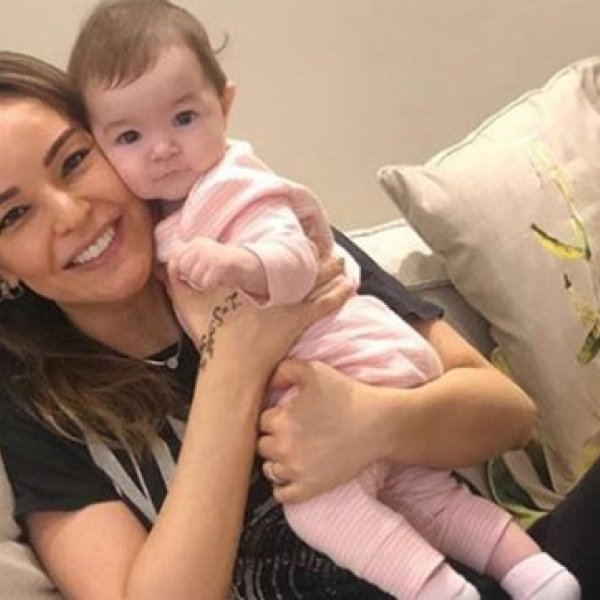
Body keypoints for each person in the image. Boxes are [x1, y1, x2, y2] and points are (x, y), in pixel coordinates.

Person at [63, 2, 579, 599]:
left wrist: (372, 421)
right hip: (386, 452)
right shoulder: (57, 388)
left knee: (325, 507)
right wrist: (236, 365)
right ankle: (535, 573)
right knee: (425, 496)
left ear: (224, 105)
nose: (162, 149)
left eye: (183, 118)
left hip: (364, 367)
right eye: (129, 137)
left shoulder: (235, 192)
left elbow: (510, 414)